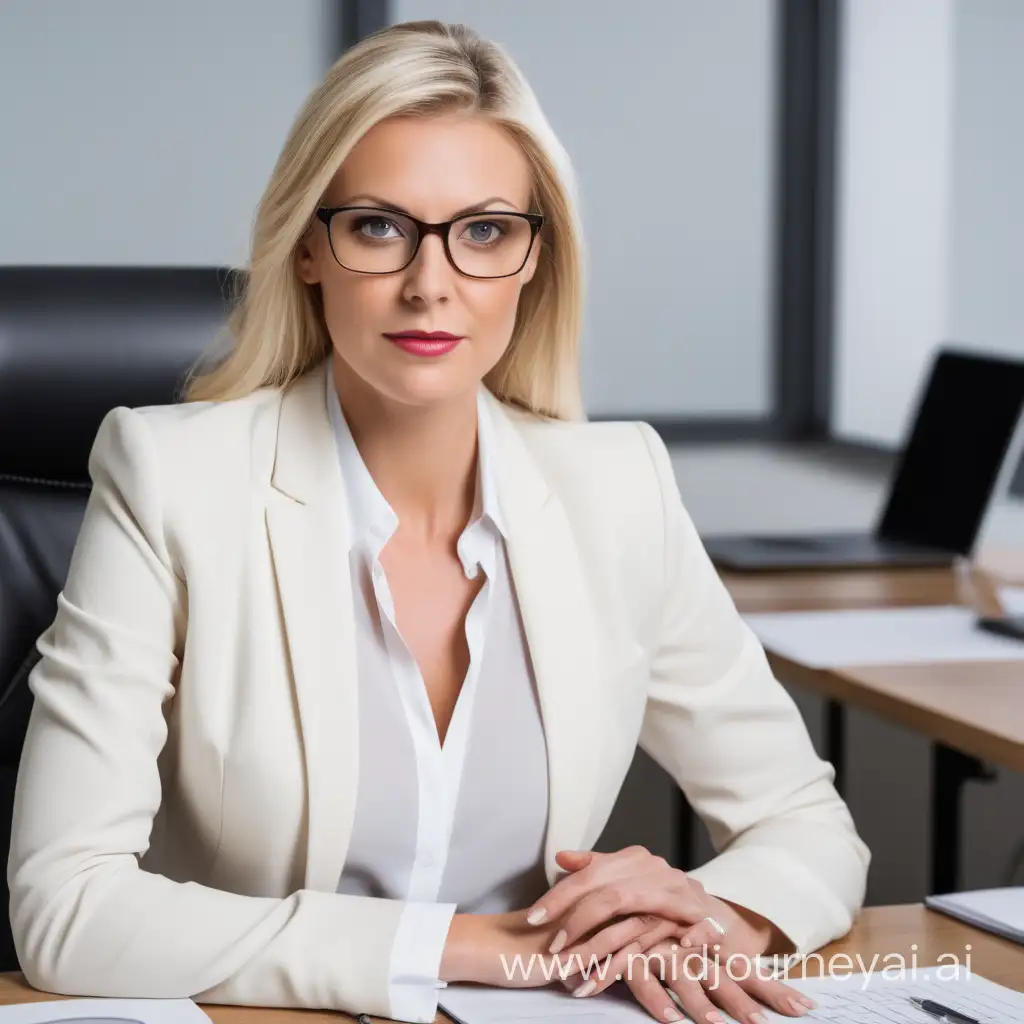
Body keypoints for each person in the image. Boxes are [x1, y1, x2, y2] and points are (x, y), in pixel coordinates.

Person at [7, 19, 869, 1024]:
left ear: (534, 258)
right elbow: (64, 908)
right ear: (309, 249)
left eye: (485, 229)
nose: (432, 282)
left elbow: (805, 823)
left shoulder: (616, 487)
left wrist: (703, 920)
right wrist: (481, 949)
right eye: (378, 225)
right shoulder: (173, 479)